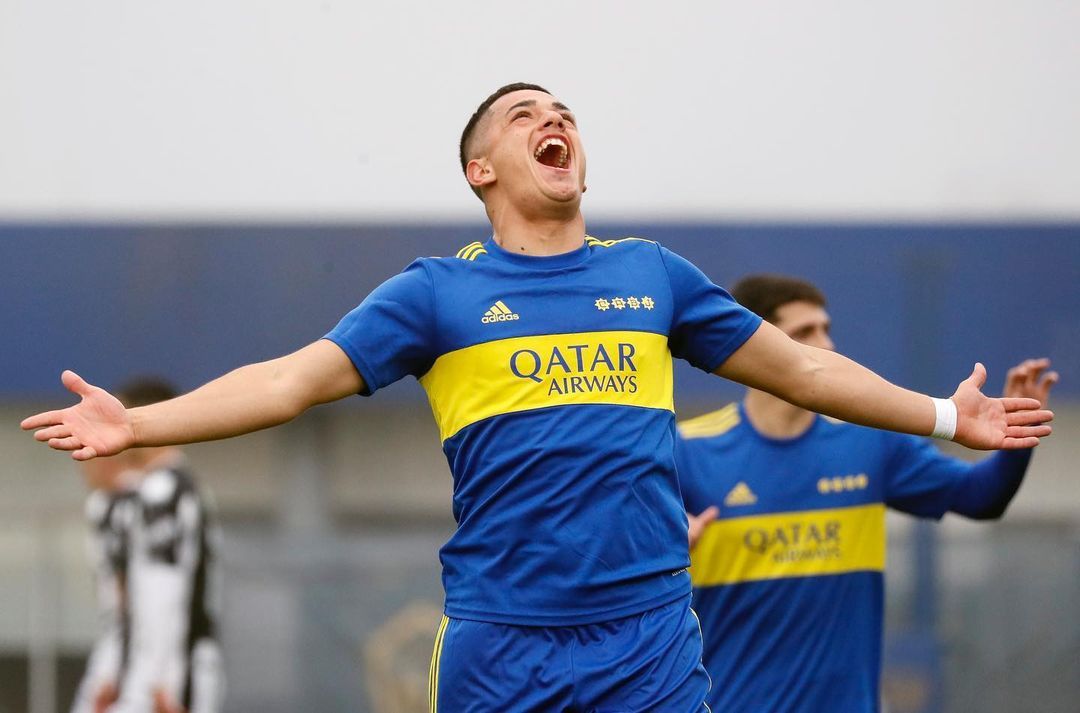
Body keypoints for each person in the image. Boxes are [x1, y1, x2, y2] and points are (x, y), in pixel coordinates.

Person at [22, 83, 1052, 713]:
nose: (554, 120)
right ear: (484, 168)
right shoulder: (438, 293)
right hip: (502, 637)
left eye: (565, 114)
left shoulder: (653, 276)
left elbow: (807, 372)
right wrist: (138, 421)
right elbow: (288, 381)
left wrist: (949, 416)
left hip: (647, 630)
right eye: (526, 116)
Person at [677, 274, 1059, 713]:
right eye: (804, 334)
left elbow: (980, 498)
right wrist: (665, 539)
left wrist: (1016, 438)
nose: (827, 344)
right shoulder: (688, 451)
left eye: (826, 329)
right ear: (759, 345)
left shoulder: (870, 442)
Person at [71, 454, 137, 713]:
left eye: (85, 462)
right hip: (116, 639)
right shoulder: (101, 504)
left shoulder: (138, 500)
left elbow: (134, 592)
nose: (83, 472)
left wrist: (116, 669)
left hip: (130, 646)